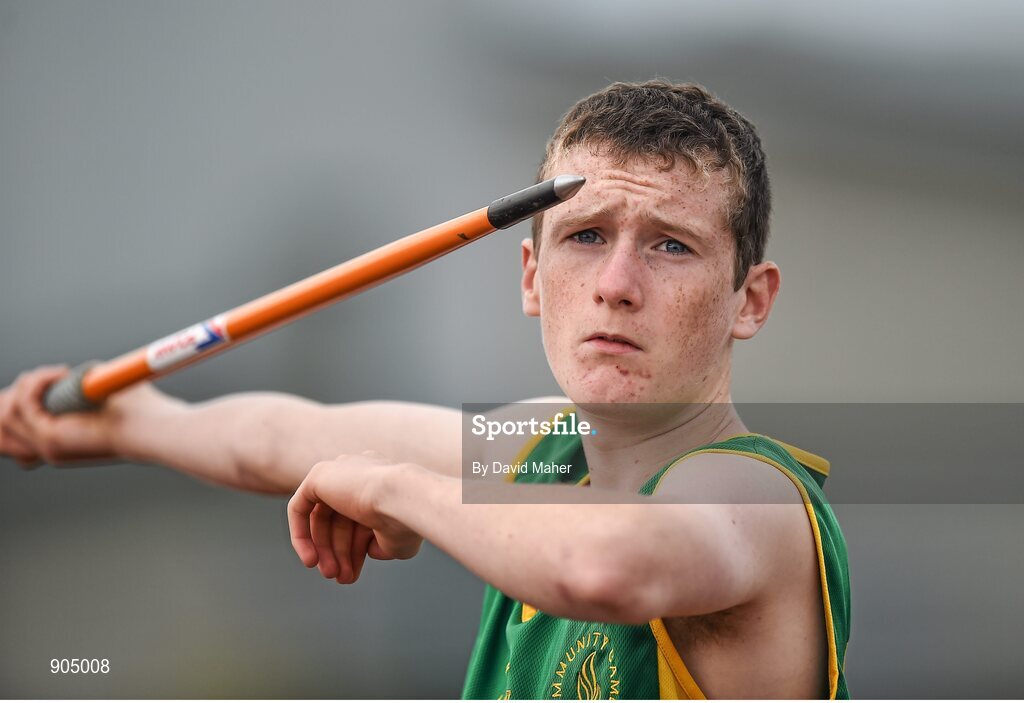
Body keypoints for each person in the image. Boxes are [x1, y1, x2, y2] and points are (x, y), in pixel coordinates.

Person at [0, 80, 850, 699]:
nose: (617, 283)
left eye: (670, 246)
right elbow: (282, 438)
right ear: (531, 274)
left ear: (751, 299)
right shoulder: (535, 452)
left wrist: (390, 486)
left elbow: (602, 566)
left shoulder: (750, 493)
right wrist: (129, 423)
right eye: (585, 236)